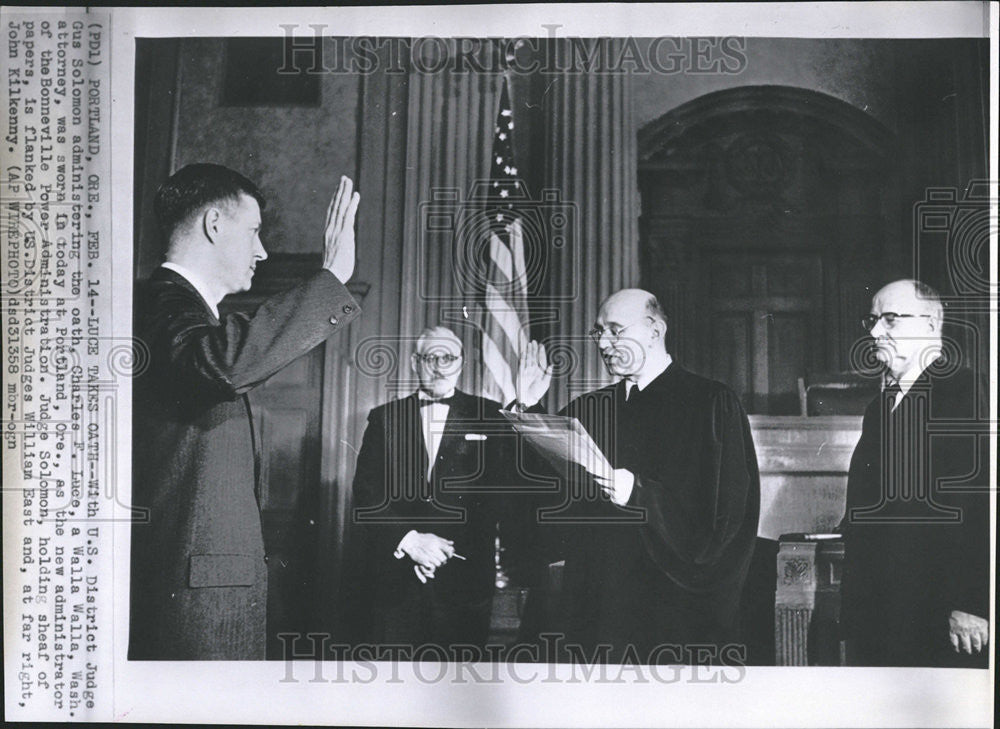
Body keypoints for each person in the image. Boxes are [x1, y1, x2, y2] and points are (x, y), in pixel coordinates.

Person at [129, 164, 361, 660]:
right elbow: (221, 363)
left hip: (205, 595)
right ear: (214, 224)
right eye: (254, 232)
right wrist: (332, 278)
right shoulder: (162, 304)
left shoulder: (183, 312)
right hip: (192, 603)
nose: (262, 251)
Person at [513, 289, 760, 663]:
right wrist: (528, 409)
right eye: (599, 333)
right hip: (596, 613)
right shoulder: (589, 408)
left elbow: (727, 521)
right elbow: (541, 492)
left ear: (654, 330)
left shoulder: (710, 403)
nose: (604, 343)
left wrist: (635, 491)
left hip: (671, 616)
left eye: (615, 330)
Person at [839, 279, 989, 667]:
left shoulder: (967, 391)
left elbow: (978, 505)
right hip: (882, 611)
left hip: (941, 613)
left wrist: (970, 602)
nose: (874, 332)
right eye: (872, 320)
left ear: (930, 323)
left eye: (890, 319)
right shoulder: (880, 406)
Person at [351, 326, 514, 651]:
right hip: (397, 579)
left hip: (464, 581)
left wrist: (440, 554)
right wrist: (410, 541)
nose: (439, 366)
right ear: (415, 362)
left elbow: (501, 496)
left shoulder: (489, 416)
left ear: (461, 362)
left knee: (460, 689)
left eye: (448, 357)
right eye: (430, 357)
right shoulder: (385, 418)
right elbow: (366, 495)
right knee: (394, 687)